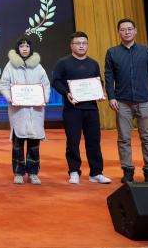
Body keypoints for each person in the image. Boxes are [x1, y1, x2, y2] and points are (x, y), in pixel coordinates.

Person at [105, 18, 148, 183]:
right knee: (124, 138)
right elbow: (109, 76)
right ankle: (127, 171)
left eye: (130, 29)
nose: (127, 32)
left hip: (145, 100)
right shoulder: (112, 52)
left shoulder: (146, 51)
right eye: (123, 29)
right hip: (122, 102)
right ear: (119, 32)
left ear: (135, 31)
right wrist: (111, 96)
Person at [52, 32, 111, 184]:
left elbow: (99, 81)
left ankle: (96, 173)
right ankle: (74, 171)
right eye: (77, 43)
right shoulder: (63, 62)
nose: (81, 46)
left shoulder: (93, 63)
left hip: (91, 109)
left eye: (84, 43)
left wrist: (101, 91)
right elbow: (56, 81)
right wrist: (67, 93)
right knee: (73, 141)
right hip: (72, 109)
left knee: (94, 141)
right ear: (71, 45)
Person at [0, 37, 51, 185]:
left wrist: (44, 98)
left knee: (34, 144)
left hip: (35, 110)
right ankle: (18, 173)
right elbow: (3, 85)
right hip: (18, 111)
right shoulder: (10, 66)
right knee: (18, 144)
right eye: (21, 46)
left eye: (27, 46)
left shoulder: (38, 67)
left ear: (31, 49)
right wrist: (11, 98)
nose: (25, 49)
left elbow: (46, 85)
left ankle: (33, 173)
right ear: (18, 49)